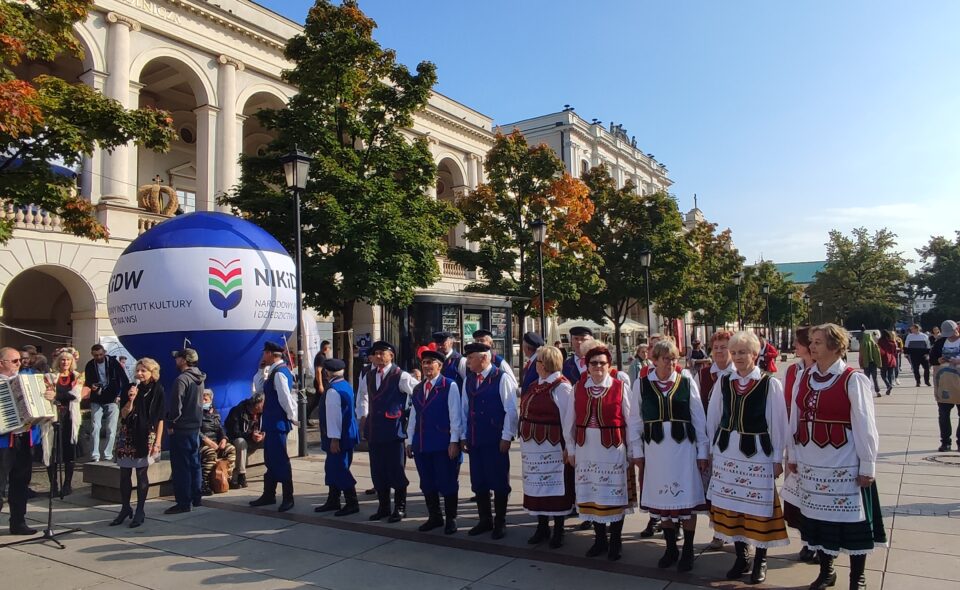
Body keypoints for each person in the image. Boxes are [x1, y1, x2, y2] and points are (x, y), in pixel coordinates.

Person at [782, 323, 886, 590]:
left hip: (844, 462)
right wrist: (791, 453)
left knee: (853, 522)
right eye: (812, 341)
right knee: (817, 520)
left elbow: (865, 424)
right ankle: (827, 572)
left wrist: (868, 464)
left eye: (818, 342)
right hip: (810, 460)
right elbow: (795, 417)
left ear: (835, 346)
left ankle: (857, 577)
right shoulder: (804, 376)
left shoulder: (853, 379)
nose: (812, 346)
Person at [706, 331, 790, 584]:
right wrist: (712, 450)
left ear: (755, 354)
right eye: (735, 352)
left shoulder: (768, 383)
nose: (738, 357)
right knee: (733, 505)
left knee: (758, 507)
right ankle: (741, 556)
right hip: (727, 451)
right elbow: (714, 416)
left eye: (743, 352)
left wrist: (778, 458)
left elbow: (778, 424)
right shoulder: (724, 381)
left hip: (757, 453)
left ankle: (760, 559)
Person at [634, 339, 709, 572]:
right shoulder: (642, 383)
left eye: (674, 358)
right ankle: (670, 548)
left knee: (686, 499)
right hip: (656, 452)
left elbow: (698, 418)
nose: (671, 363)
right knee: (663, 501)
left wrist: (702, 451)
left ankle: (687, 548)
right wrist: (636, 452)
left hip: (684, 450)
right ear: (654, 360)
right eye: (666, 359)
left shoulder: (686, 381)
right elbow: (634, 420)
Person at [568, 344, 636, 561]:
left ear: (609, 366)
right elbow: (568, 421)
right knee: (593, 494)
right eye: (593, 363)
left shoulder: (620, 387)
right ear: (587, 366)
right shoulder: (578, 388)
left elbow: (632, 421)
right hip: (586, 449)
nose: (598, 367)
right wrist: (570, 449)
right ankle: (599, 540)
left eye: (602, 363)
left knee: (613, 495)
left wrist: (633, 451)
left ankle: (615, 541)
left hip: (612, 449)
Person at [461, 341, 519, 539]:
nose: (467, 362)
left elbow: (511, 410)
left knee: (499, 481)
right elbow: (464, 409)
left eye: (470, 358)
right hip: (476, 438)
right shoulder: (469, 379)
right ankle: (484, 519)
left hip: (495, 439)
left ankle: (500, 521)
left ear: (483, 358)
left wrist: (507, 436)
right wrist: (463, 435)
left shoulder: (501, 378)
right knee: (479, 481)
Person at [519, 345, 574, 548]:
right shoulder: (536, 384)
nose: (536, 365)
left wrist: (569, 447)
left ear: (547, 364)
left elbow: (568, 421)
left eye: (539, 361)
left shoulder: (562, 387)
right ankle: (542, 526)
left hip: (553, 447)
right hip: (533, 447)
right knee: (537, 488)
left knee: (556, 489)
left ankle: (558, 530)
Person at [358, 340, 418, 522]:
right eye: (376, 353)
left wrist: (410, 418)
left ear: (391, 356)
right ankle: (383, 507)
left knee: (396, 470)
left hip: (393, 431)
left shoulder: (401, 375)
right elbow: (363, 396)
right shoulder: (369, 374)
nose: (378, 356)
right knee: (378, 471)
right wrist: (363, 417)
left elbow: (420, 393)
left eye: (382, 353)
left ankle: (400, 508)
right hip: (375, 431)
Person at [406, 349, 462, 534]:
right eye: (425, 363)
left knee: (447, 481)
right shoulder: (418, 388)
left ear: (440, 365)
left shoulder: (449, 385)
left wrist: (454, 441)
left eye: (431, 362)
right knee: (427, 482)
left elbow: (455, 415)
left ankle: (451, 519)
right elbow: (414, 414)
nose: (427, 366)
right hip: (422, 442)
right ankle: (435, 517)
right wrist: (409, 439)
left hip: (442, 442)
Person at [112, 358, 164, 527]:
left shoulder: (157, 390)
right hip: (128, 433)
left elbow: (160, 418)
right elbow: (124, 415)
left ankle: (140, 509)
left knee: (142, 473)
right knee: (124, 473)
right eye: (138, 370)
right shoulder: (130, 388)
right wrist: (131, 399)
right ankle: (125, 507)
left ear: (152, 372)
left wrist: (158, 442)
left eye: (144, 371)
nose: (140, 374)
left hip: (145, 434)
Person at [782, 326, 819, 563]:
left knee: (815, 494)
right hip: (794, 440)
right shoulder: (793, 370)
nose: (794, 346)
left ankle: (817, 542)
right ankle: (806, 539)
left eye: (798, 342)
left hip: (815, 442)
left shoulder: (820, 370)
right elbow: (786, 404)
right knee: (796, 496)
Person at [697, 330, 734, 551]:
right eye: (716, 347)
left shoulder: (737, 373)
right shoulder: (703, 374)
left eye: (724, 347)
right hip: (709, 439)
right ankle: (719, 531)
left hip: (732, 440)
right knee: (713, 487)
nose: (720, 351)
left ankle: (735, 531)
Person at [249, 341, 298, 512]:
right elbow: (259, 389)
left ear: (270, 354)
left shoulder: (280, 373)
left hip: (278, 423)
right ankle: (269, 494)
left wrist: (292, 417)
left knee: (280, 460)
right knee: (270, 459)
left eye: (264, 353)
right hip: (271, 422)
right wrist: (260, 370)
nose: (263, 356)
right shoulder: (273, 371)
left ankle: (288, 496)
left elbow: (286, 398)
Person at [0, 347, 44, 535]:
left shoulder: (26, 380)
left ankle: (18, 522)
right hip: (3, 443)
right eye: (15, 361)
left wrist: (47, 398)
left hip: (24, 438)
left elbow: (40, 408)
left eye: (20, 360)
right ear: (1, 363)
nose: (20, 364)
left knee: (20, 483)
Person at [314, 358, 361, 516]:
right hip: (347, 434)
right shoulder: (345, 385)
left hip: (339, 437)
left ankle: (351, 502)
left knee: (339, 468)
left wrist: (334, 439)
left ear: (327, 372)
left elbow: (334, 416)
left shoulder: (333, 390)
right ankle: (333, 499)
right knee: (333, 467)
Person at [164, 348, 205, 514]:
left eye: (178, 358)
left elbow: (176, 406)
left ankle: (183, 502)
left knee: (181, 467)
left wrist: (170, 423)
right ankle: (196, 497)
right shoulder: (200, 378)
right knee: (195, 464)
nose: (175, 361)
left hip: (181, 428)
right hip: (195, 426)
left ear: (183, 360)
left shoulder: (182, 379)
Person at [43, 351, 83, 497]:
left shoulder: (77, 376)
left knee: (69, 451)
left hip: (70, 418)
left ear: (71, 362)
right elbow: (47, 395)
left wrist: (57, 396)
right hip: (54, 417)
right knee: (51, 450)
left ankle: (67, 484)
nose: (65, 362)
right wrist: (55, 397)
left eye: (68, 360)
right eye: (62, 360)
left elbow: (76, 395)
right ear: (58, 361)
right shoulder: (50, 377)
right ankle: (53, 484)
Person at [84, 343, 130, 462]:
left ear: (104, 352)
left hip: (112, 398)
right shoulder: (90, 365)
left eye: (100, 354)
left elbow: (124, 379)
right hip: (97, 398)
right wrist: (92, 386)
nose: (99, 357)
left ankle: (108, 454)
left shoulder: (113, 363)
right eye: (96, 355)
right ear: (92, 355)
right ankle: (95, 454)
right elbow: (87, 381)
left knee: (111, 427)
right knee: (95, 426)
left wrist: (120, 395)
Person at [199, 389, 236, 495]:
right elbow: (196, 431)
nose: (203, 401)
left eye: (205, 399)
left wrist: (224, 439)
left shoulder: (215, 413)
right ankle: (204, 483)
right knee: (210, 453)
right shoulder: (196, 413)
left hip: (216, 442)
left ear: (211, 399)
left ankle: (227, 478)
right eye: (202, 399)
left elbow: (221, 428)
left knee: (231, 449)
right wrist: (207, 441)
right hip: (203, 444)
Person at [930, 320, 960, 452]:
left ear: (956, 329)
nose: (949, 336)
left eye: (952, 333)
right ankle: (945, 442)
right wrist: (938, 360)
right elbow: (932, 358)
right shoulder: (940, 342)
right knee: (943, 414)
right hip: (944, 383)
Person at [225, 391, 265, 489]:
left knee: (273, 440)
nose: (265, 406)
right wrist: (251, 435)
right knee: (240, 442)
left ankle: (274, 471)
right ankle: (241, 475)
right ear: (256, 404)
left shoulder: (263, 413)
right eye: (263, 404)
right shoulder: (237, 411)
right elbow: (234, 432)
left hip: (256, 439)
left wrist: (264, 434)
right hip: (243, 438)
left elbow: (267, 426)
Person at [858, 330, 882, 396]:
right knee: (875, 378)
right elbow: (878, 354)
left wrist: (860, 363)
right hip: (873, 363)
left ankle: (868, 391)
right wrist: (879, 363)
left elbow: (861, 355)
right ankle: (878, 391)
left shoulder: (862, 344)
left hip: (866, 363)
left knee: (867, 378)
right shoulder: (874, 343)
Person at [877, 331, 898, 396]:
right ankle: (890, 387)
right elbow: (895, 352)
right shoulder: (892, 343)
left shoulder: (880, 342)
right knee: (890, 375)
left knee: (883, 375)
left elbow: (878, 351)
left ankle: (888, 385)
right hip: (892, 359)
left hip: (884, 360)